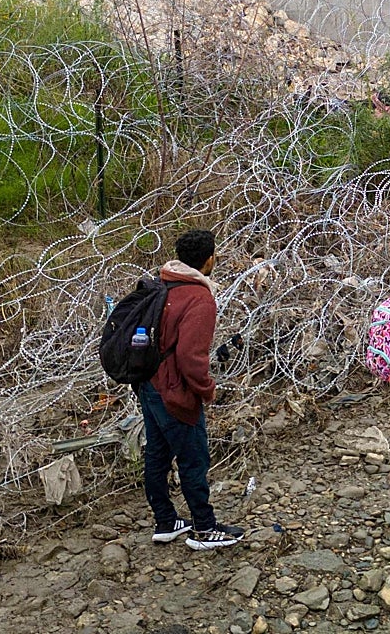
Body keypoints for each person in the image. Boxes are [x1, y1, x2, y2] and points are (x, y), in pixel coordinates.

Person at [139, 229, 244, 551]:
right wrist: (206, 389)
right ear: (210, 259)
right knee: (193, 458)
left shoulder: (162, 284)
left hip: (148, 383)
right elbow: (190, 357)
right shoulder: (199, 298)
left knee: (157, 455)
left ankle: (166, 521)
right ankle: (204, 528)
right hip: (175, 391)